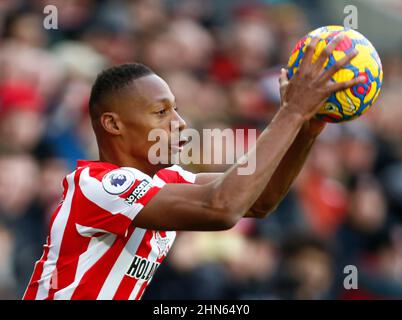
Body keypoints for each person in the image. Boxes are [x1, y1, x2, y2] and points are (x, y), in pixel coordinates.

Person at [23, 35, 364, 300]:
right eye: (161, 112)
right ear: (113, 124)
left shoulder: (167, 180)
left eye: (176, 110)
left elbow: (259, 200)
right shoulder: (97, 186)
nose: (180, 123)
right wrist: (290, 112)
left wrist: (308, 126)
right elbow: (222, 208)